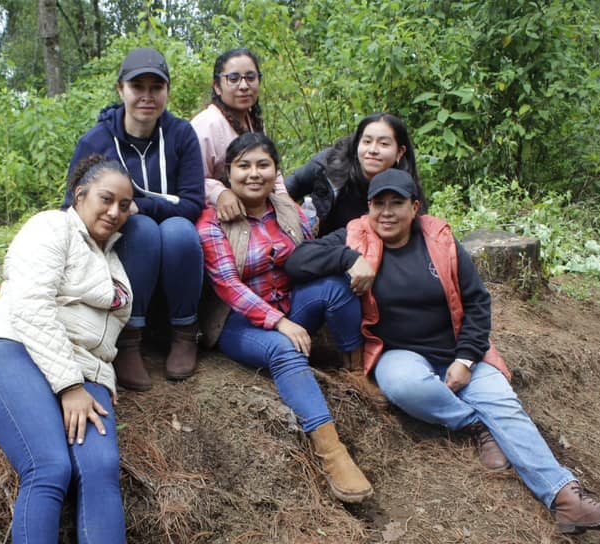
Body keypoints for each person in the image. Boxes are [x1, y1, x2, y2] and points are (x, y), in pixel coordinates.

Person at [284, 168, 600, 535]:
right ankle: (475, 425)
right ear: (369, 207)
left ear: (415, 207)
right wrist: (346, 259)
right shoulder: (356, 235)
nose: (386, 213)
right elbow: (296, 262)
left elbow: (477, 303)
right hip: (399, 354)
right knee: (404, 384)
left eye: (397, 203)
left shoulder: (440, 241)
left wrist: (466, 359)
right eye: (379, 204)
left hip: (458, 352)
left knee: (505, 403)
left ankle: (567, 500)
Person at [0, 156, 160, 544]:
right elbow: (30, 304)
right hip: (12, 349)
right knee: (49, 467)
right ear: (80, 196)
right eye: (105, 198)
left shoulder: (113, 259)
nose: (115, 210)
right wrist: (67, 386)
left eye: (125, 203)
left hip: (87, 372)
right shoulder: (50, 227)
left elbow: (100, 342)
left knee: (98, 467)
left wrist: (86, 383)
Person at [197, 132, 374, 503]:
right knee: (283, 351)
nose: (253, 174)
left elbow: (310, 254)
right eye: (243, 166)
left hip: (290, 305)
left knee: (335, 288)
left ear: (276, 170)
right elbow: (228, 285)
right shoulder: (211, 223)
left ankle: (356, 369)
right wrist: (279, 322)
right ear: (228, 173)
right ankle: (332, 453)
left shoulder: (288, 208)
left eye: (263, 164)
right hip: (239, 322)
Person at [66, 47, 205, 391]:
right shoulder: (98, 140)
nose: (146, 96)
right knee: (140, 228)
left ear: (167, 92)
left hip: (173, 254)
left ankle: (184, 331)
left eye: (156, 88)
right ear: (120, 90)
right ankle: (129, 339)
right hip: (124, 251)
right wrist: (129, 213)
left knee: (180, 230)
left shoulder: (181, 135)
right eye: (137, 86)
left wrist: (143, 206)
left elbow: (192, 202)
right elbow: (74, 202)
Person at [286, 113, 425, 237]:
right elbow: (282, 191)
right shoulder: (329, 165)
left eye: (383, 144)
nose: (373, 150)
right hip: (320, 250)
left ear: (399, 152)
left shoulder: (406, 186)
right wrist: (300, 220)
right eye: (367, 141)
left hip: (371, 258)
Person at [191, 48, 288, 223]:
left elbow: (271, 165)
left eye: (250, 78)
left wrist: (282, 195)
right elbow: (193, 180)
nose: (244, 86)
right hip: (219, 215)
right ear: (217, 86)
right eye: (233, 79)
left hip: (257, 207)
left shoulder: (254, 122)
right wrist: (220, 193)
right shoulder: (206, 125)